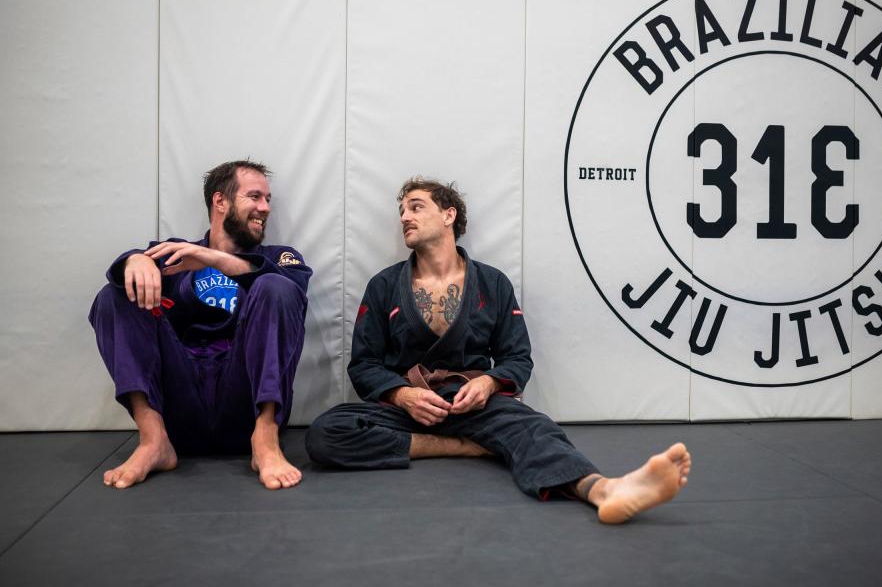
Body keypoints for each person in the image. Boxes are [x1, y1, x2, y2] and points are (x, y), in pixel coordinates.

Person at [306, 177, 691, 523]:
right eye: (402, 210)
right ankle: (469, 448)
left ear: (448, 214)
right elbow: (364, 364)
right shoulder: (384, 285)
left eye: (416, 206)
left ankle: (604, 490)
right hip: (408, 410)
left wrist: (489, 383)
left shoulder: (492, 283)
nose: (405, 216)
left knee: (537, 428)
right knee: (326, 433)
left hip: (472, 403)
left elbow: (517, 356)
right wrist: (402, 394)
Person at [89, 159, 312, 490]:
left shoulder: (281, 256)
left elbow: (290, 293)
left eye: (267, 200)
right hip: (181, 401)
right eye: (254, 197)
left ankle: (265, 440)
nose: (264, 208)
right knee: (113, 296)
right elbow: (126, 277)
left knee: (277, 287)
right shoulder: (176, 255)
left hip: (244, 402)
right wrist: (135, 259)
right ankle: (153, 440)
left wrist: (212, 258)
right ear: (220, 201)